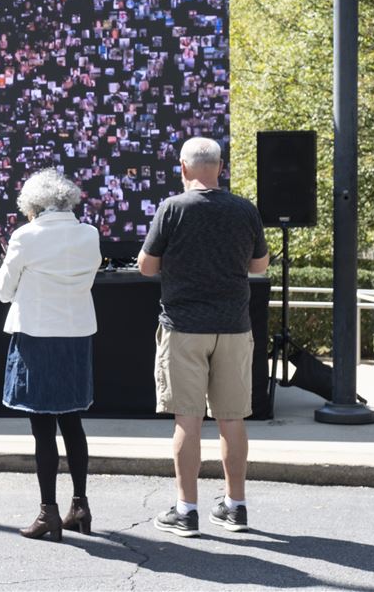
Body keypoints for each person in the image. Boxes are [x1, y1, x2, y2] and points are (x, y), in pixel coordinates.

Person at [138, 137, 269, 538]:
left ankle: (186, 510)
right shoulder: (245, 209)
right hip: (233, 325)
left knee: (187, 421)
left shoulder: (172, 209)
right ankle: (236, 506)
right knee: (232, 420)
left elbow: (146, 267)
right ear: (220, 166)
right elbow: (260, 267)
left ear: (182, 167)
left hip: (184, 328)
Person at [0, 169, 102, 541]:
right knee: (73, 423)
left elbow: (3, 292)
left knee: (42, 429)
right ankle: (81, 506)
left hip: (39, 336)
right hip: (76, 336)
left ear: (33, 206)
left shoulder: (25, 236)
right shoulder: (90, 234)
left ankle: (48, 513)